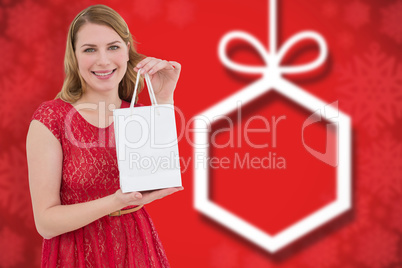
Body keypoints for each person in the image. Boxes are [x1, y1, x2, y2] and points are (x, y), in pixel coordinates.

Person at [26, 4, 183, 267]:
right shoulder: (51, 118)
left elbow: (159, 176)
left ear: (127, 51)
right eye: (90, 49)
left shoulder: (140, 115)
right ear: (74, 57)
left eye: (113, 47)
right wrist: (116, 201)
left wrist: (164, 98)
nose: (103, 60)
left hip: (135, 248)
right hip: (74, 253)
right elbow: (45, 223)